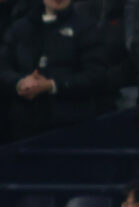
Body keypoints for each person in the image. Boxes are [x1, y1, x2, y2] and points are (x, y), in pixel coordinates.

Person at [0, 0, 113, 140]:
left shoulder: (87, 28)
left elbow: (97, 75)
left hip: (72, 126)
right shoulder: (20, 28)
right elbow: (4, 67)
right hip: (24, 126)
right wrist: (19, 83)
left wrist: (52, 85)